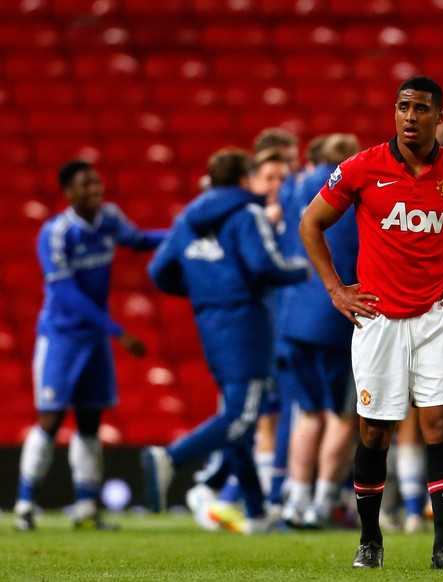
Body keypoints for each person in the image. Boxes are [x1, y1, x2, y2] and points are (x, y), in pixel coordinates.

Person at [299, 76, 443, 569]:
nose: (410, 117)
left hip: (437, 314)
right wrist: (335, 288)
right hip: (378, 317)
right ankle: (369, 540)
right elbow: (311, 223)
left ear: (441, 116)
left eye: (420, 109)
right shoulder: (362, 167)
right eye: (403, 107)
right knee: (375, 431)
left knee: (439, 425)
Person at [142, 149, 310, 534]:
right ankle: (170, 457)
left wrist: (204, 288)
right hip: (246, 324)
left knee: (241, 421)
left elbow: (159, 271)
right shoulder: (247, 214)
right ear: (244, 179)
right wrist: (303, 269)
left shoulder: (188, 218)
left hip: (210, 322)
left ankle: (255, 511)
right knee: (242, 417)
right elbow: (264, 264)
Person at [14, 160, 166, 531]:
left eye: (97, 182)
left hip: (94, 339)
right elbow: (66, 293)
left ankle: (86, 508)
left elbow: (140, 240)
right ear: (68, 192)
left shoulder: (110, 219)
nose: (95, 190)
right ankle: (24, 503)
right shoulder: (56, 233)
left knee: (89, 423)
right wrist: (117, 330)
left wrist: (183, 233)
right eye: (85, 185)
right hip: (62, 338)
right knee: (50, 420)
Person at [277, 133, 361, 529]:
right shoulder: (355, 192)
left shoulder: (295, 189)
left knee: (307, 412)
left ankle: (297, 498)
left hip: (293, 315)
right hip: (335, 316)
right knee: (343, 415)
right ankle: (324, 503)